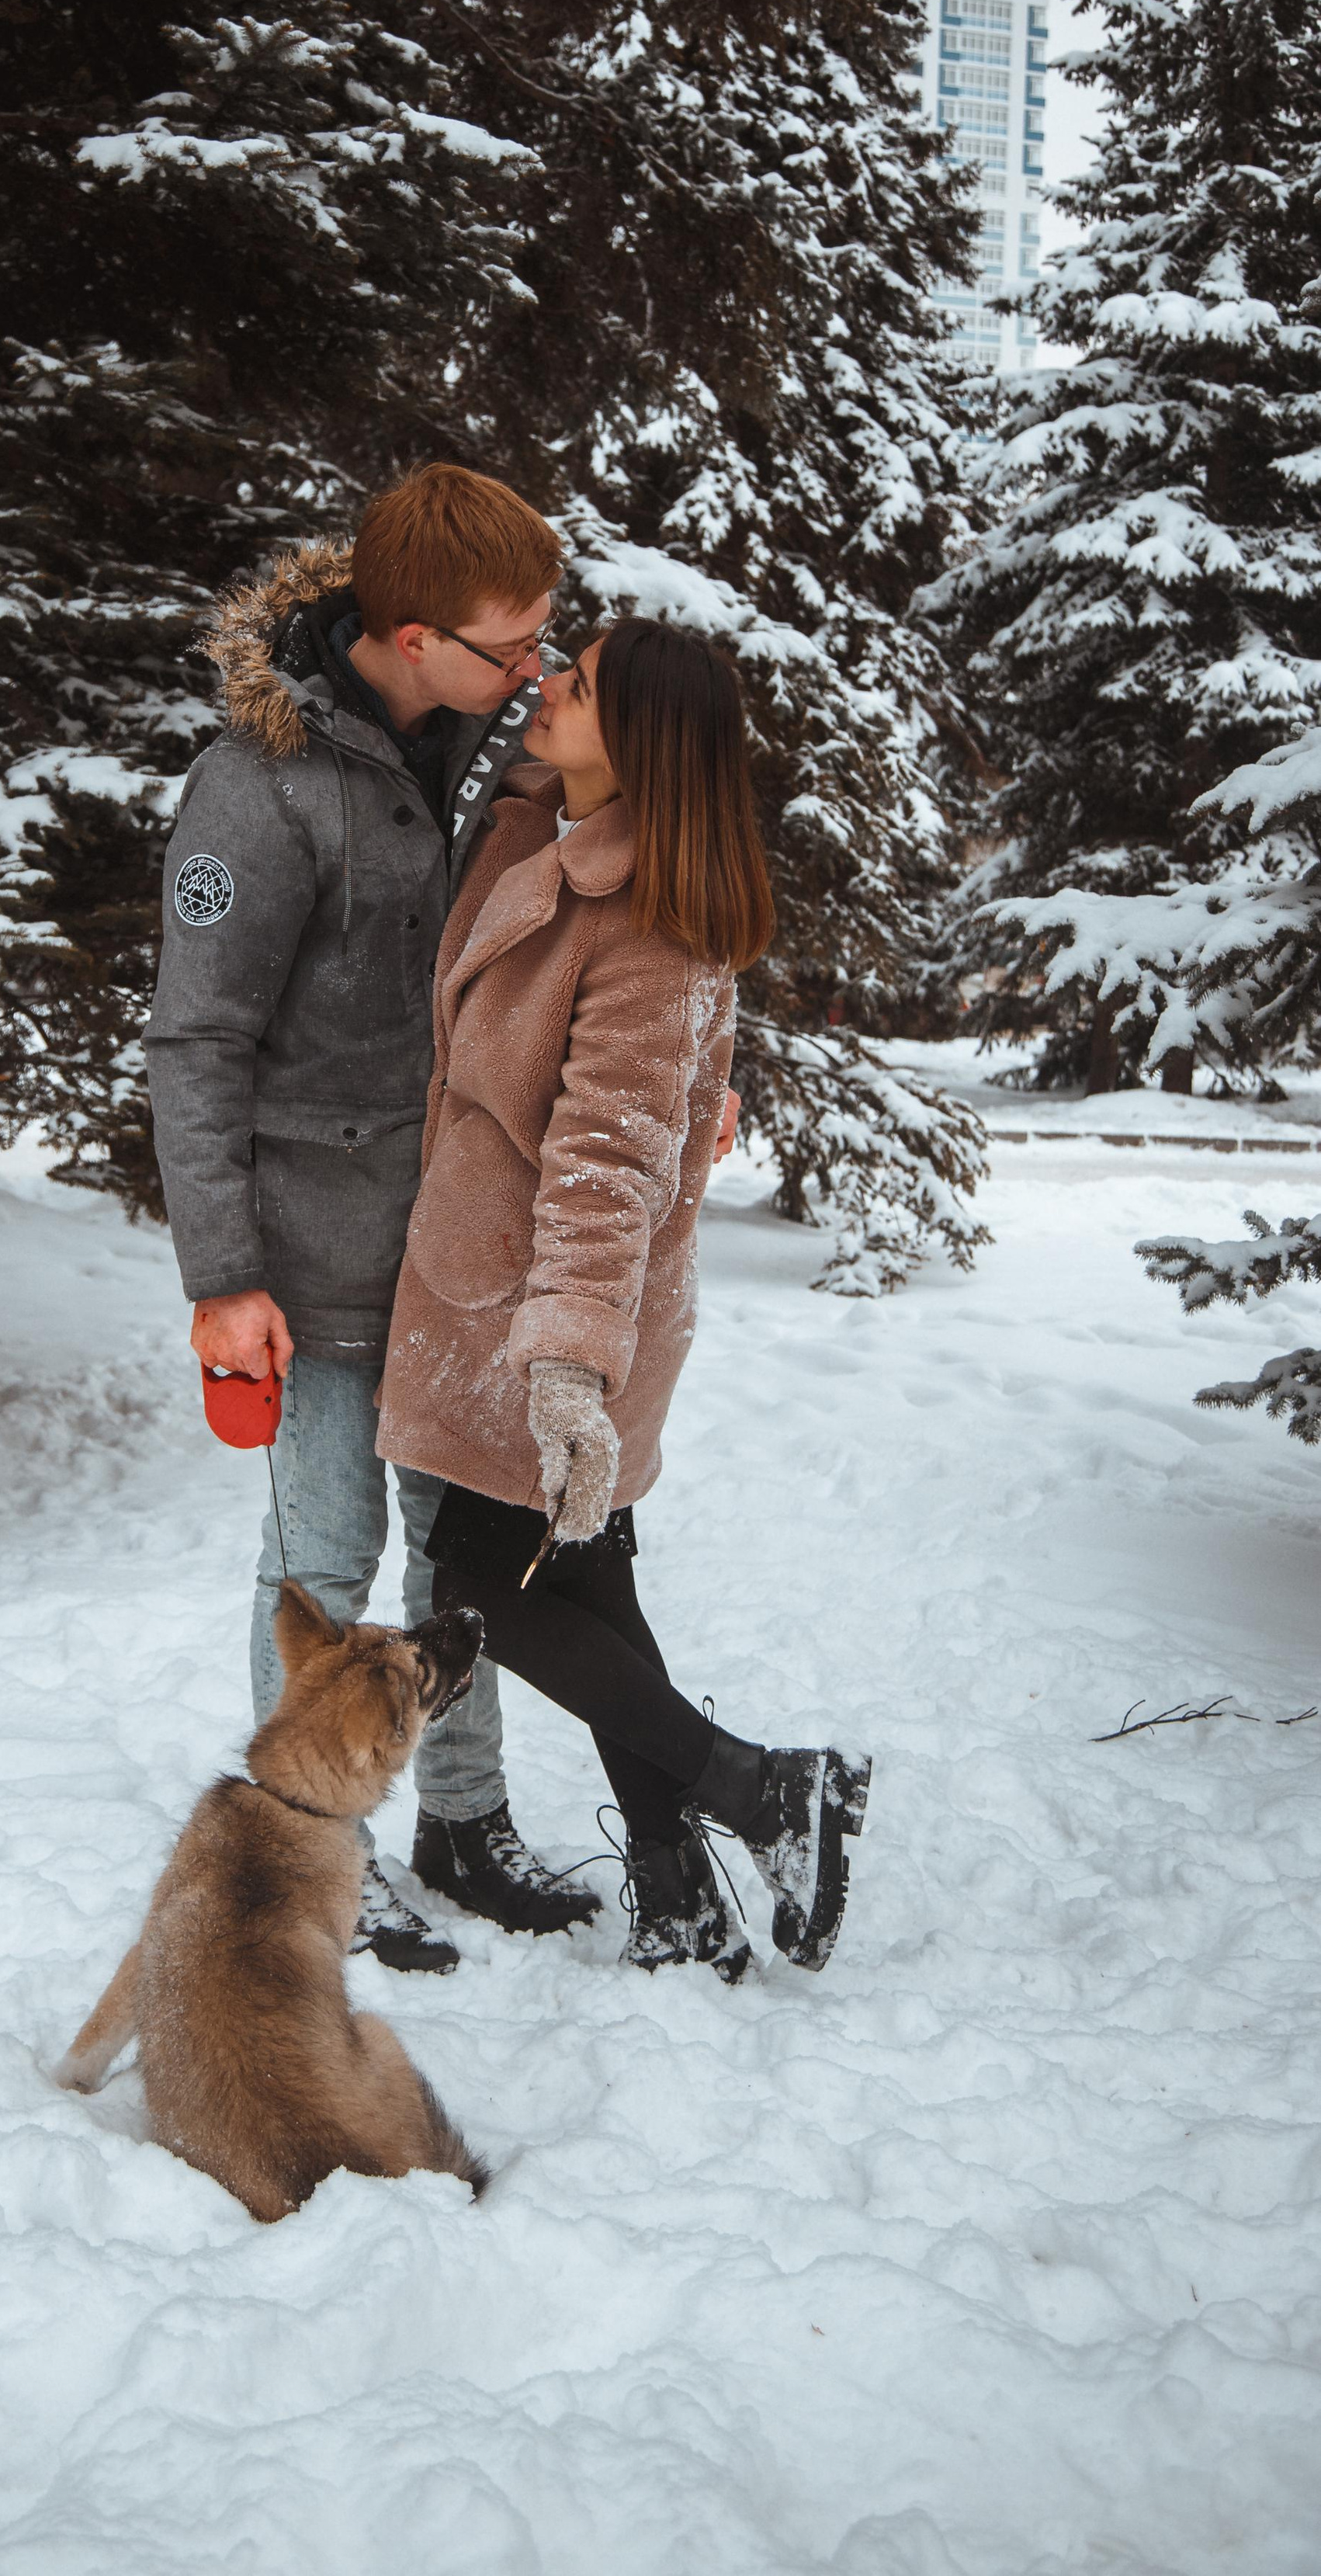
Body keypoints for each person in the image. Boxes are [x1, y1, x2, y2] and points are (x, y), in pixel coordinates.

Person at [145, 463, 603, 1972]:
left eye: (547, 637)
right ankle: (309, 1843)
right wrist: (221, 1273)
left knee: (458, 1565)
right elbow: (196, 1040)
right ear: (408, 636)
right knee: (324, 1557)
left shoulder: (507, 752)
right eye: (504, 642)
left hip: (466, 1244)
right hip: (318, 1254)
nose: (536, 666)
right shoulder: (256, 791)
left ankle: (458, 1825)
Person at [375, 620, 870, 1981]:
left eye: (579, 685)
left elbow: (604, 1166)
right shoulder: (551, 837)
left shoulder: (648, 923)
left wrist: (567, 1368)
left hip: (546, 1309)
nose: (548, 687)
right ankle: (679, 1898)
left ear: (640, 738)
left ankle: (770, 1792)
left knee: (483, 1581)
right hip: (502, 1286)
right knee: (582, 1581)